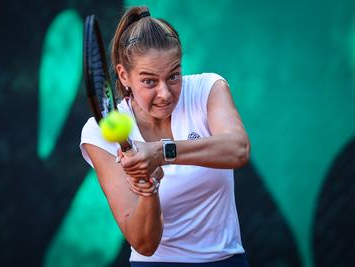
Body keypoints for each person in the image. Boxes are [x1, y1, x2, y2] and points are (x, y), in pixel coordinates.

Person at [80, 6, 250, 267]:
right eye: (149, 81)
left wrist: (161, 152)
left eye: (173, 76)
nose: (165, 93)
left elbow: (238, 150)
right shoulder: (98, 132)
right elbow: (144, 244)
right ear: (124, 76)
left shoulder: (208, 89)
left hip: (226, 260)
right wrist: (149, 188)